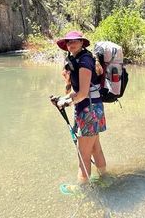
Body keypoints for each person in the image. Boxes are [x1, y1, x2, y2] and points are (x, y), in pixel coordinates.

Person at [51, 31, 107, 185]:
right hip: (92, 109)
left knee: (83, 154)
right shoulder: (79, 60)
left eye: (75, 41)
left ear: (82, 43)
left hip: (89, 111)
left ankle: (82, 189)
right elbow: (79, 91)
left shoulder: (84, 62)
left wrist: (66, 103)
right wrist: (63, 98)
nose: (71, 44)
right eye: (68, 42)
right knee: (95, 149)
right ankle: (105, 179)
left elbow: (82, 93)